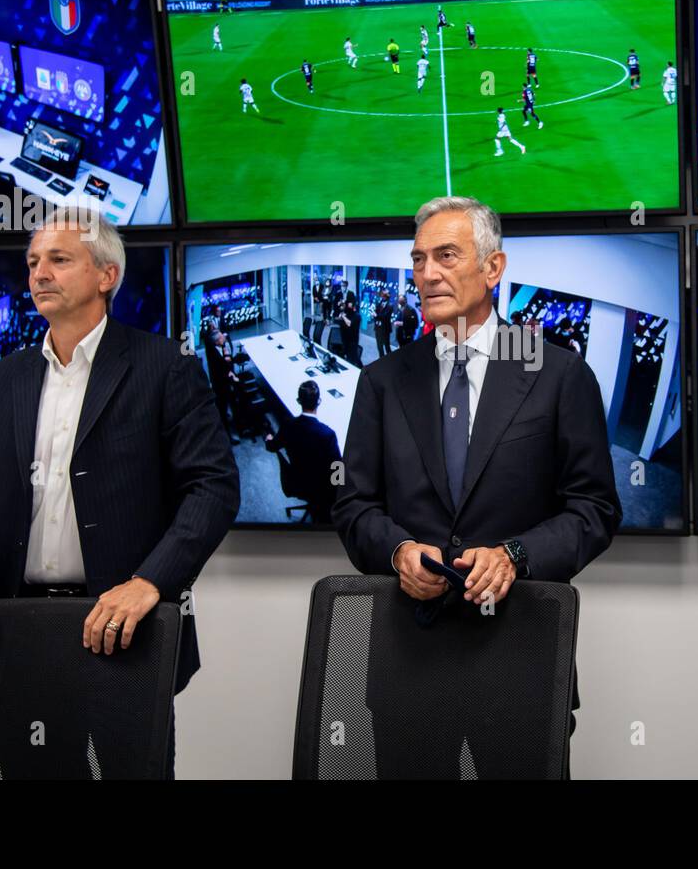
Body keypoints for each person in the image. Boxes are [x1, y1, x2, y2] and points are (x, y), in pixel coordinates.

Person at [0, 208, 240, 779]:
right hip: (21, 636)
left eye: (58, 259)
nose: (39, 273)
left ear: (106, 276)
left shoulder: (163, 366)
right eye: (32, 262)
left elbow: (214, 487)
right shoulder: (1, 381)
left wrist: (150, 583)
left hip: (123, 632)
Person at [333, 195, 621, 778]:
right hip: (408, 662)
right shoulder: (383, 381)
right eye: (418, 260)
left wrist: (516, 555)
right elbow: (354, 504)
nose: (427, 274)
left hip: (520, 655)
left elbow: (594, 508)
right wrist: (396, 550)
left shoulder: (559, 374)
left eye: (445, 256)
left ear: (493, 268)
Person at [264, 380, 341, 523]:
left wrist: (268, 438)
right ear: (319, 401)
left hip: (296, 481)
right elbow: (338, 470)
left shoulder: (288, 425)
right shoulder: (327, 434)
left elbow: (271, 446)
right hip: (323, 488)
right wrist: (340, 493)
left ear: (298, 401)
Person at [337, 289, 362, 367]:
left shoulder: (357, 316)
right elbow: (339, 322)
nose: (348, 305)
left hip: (353, 341)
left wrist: (343, 317)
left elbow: (349, 324)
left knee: (354, 359)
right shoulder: (346, 313)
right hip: (345, 340)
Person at [373, 289, 394, 358]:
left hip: (385, 329)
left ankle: (391, 361)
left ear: (387, 296)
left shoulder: (390, 305)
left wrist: (376, 315)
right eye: (382, 294)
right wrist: (374, 314)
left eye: (384, 294)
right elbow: (376, 311)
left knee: (387, 346)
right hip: (378, 328)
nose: (383, 296)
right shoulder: (380, 302)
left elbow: (385, 316)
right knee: (379, 346)